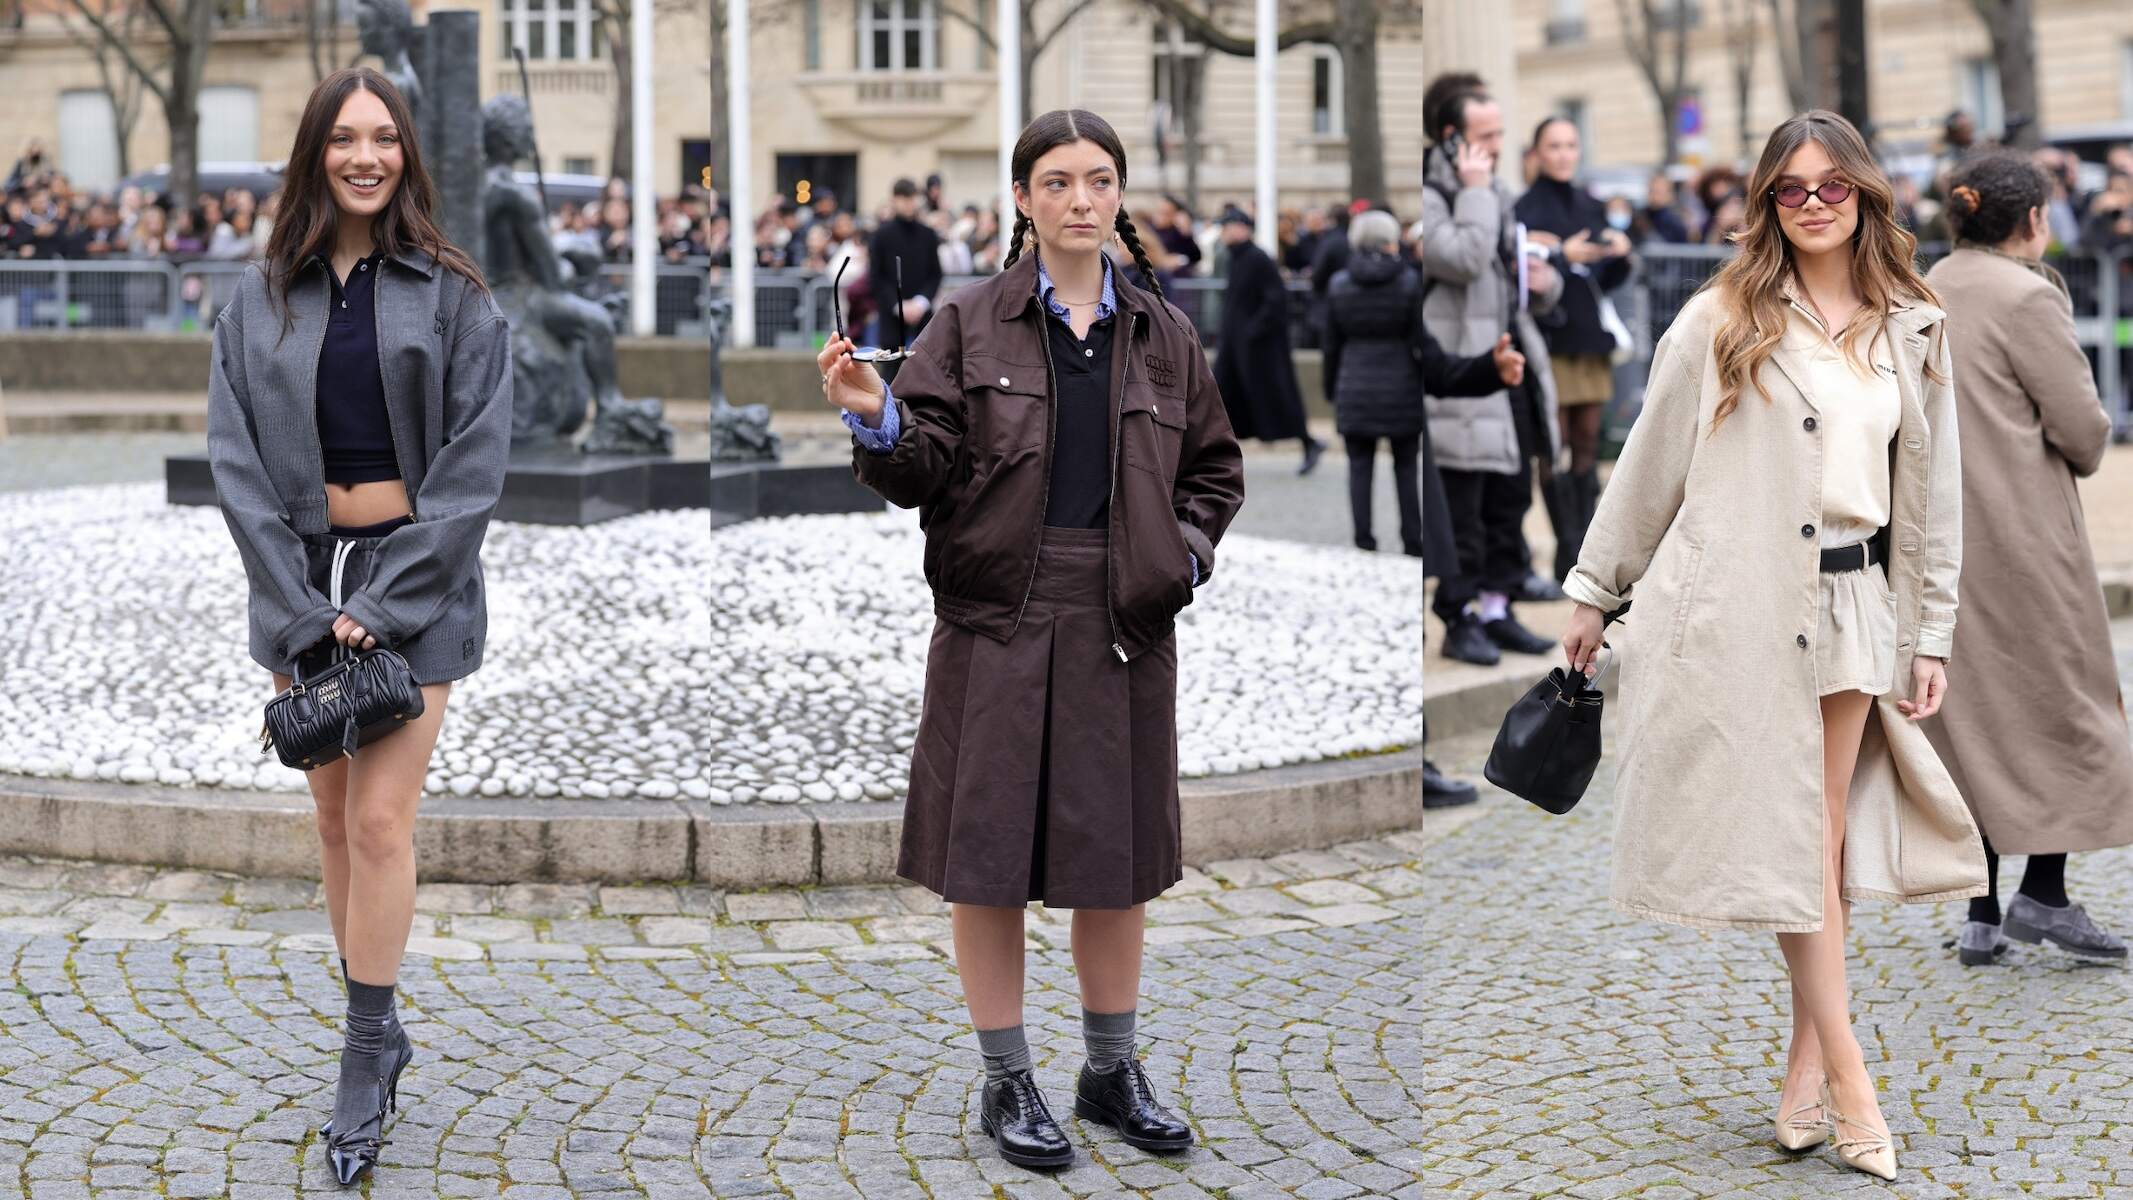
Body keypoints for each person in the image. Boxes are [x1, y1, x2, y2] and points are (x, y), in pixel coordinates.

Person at [1560, 110, 1985, 1183]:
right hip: (1748, 611)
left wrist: (1929, 630)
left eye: (1831, 188)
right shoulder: (1718, 319)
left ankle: (1804, 1075)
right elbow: (1648, 462)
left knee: (1823, 840)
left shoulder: (1914, 322)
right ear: (1764, 203)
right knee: (1808, 841)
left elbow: (1935, 500)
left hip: (1855, 609)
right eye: (1789, 191)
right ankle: (1848, 1077)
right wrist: (1595, 591)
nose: (1811, 206)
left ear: (1867, 196)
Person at [817, 107, 1244, 1173]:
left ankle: (1110, 1070)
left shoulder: (1165, 334)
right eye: (1056, 182)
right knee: (990, 860)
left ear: (1119, 194)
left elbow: (1215, 470)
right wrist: (876, 416)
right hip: (996, 616)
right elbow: (923, 473)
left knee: (1115, 864)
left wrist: (1179, 558)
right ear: (1022, 198)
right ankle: (1008, 1078)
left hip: (1124, 622)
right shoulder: (967, 326)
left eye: (1098, 180)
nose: (1080, 200)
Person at [205, 66, 511, 1186]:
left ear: (408, 154)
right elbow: (234, 464)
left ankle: (367, 1046)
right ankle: (372, 1016)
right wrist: (299, 608)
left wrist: (373, 612)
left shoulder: (456, 294)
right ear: (314, 154)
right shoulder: (259, 297)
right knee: (332, 824)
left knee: (382, 822)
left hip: (411, 585)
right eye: (346, 138)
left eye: (385, 138)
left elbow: (475, 476)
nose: (367, 156)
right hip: (299, 580)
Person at [1925, 152, 2132, 967]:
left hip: (1940, 537)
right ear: (2034, 220)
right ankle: (2042, 891)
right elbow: (2082, 432)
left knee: (1964, 715)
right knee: (2059, 701)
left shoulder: (1921, 288)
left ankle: (1979, 909)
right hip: (2023, 537)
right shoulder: (2026, 294)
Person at [1421, 71, 1565, 667]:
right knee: (1467, 510)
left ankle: (1498, 608)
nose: (1498, 146)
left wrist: (1546, 281)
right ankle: (1463, 618)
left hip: (1510, 363)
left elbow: (1507, 271)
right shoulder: (1432, 194)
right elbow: (1461, 258)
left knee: (1509, 497)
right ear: (1452, 136)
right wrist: (1476, 191)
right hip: (1460, 371)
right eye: (1486, 134)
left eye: (1502, 133)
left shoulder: (1496, 192)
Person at [1516, 116, 1634, 581]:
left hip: (1589, 338)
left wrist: (1620, 256)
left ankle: (1586, 548)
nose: (1564, 153)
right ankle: (1567, 548)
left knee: (1587, 443)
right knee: (1555, 448)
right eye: (1554, 145)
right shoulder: (1525, 208)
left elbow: (1602, 279)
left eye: (1570, 145)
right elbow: (1525, 276)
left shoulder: (1592, 205)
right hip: (1549, 338)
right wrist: (1562, 255)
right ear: (1538, 152)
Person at [1324, 208, 1438, 554]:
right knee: (1406, 466)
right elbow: (1420, 340)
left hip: (1354, 378)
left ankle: (1364, 538)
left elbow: (1331, 343)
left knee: (1360, 467)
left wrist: (1332, 387)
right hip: (1402, 380)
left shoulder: (1340, 284)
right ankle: (1412, 538)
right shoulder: (1408, 281)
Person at [1212, 204, 1325, 473]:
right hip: (1237, 346)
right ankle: (1215, 456)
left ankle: (1307, 442)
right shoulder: (1238, 258)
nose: (1223, 233)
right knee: (1222, 400)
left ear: (1241, 229)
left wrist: (1252, 331)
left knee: (1275, 398)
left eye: (1227, 228)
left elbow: (1275, 302)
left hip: (1257, 349)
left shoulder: (1257, 258)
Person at [864, 177, 945, 378]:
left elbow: (935, 274)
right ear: (894, 200)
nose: (909, 204)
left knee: (926, 369)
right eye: (904, 198)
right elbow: (876, 277)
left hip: (922, 312)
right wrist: (896, 305)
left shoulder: (928, 235)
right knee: (891, 372)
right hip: (891, 315)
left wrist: (921, 302)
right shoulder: (881, 236)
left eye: (912, 198)